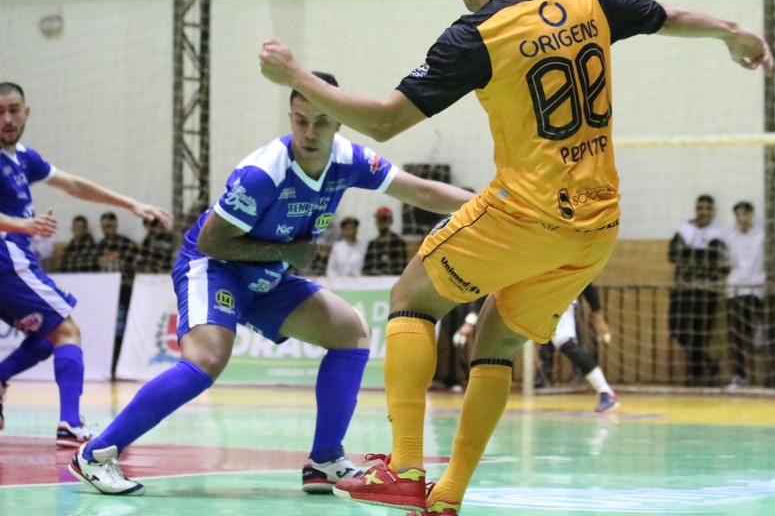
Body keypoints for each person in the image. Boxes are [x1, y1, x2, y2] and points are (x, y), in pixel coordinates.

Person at [258, 0, 771, 516]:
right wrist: (733, 32)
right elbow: (669, 16)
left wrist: (294, 76)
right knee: (495, 342)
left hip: (526, 212)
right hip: (597, 225)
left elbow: (384, 120)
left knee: (412, 300)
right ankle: (446, 495)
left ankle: (404, 469)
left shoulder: (476, 34)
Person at [68, 71, 473, 496]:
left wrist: (490, 201)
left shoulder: (351, 161)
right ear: (291, 117)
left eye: (320, 121)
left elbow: (421, 192)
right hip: (214, 266)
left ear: (339, 121)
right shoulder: (263, 173)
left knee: (350, 332)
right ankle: (96, 454)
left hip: (268, 274)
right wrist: (284, 255)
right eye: (300, 120)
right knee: (207, 360)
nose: (309, 132)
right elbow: (211, 240)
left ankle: (325, 460)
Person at [0, 82, 171, 444]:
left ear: (26, 112)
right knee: (67, 331)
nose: (7, 119)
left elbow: (75, 185)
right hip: (7, 259)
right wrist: (21, 225)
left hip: (14, 260)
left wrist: (130, 204)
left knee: (48, 338)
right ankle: (70, 423)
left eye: (13, 109)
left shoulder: (24, 158)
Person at [668, 195, 728, 387]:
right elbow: (673, 254)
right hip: (683, 290)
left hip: (705, 291)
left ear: (713, 212)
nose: (703, 212)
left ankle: (697, 375)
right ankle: (708, 365)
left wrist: (689, 253)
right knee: (678, 329)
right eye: (700, 208)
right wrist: (700, 254)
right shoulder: (684, 230)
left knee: (701, 333)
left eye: (707, 209)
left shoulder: (717, 233)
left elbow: (714, 258)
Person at [549, 283, 620, 411]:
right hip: (540, 303)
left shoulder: (568, 265)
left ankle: (605, 392)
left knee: (566, 343)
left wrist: (599, 319)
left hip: (558, 304)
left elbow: (588, 286)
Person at [724, 202, 765, 391]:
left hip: (756, 289)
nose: (742, 219)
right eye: (738, 215)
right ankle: (739, 376)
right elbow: (730, 263)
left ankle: (758, 329)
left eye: (745, 215)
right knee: (737, 335)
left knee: (749, 333)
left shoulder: (762, 236)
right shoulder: (731, 237)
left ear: (752, 215)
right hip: (736, 290)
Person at [95, 211, 139, 368]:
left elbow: (135, 265)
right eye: (104, 226)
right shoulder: (98, 246)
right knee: (107, 328)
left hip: (123, 290)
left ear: (116, 225)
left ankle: (120, 362)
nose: (107, 228)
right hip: (104, 293)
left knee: (121, 327)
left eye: (110, 225)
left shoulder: (126, 244)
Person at [362, 206, 408, 276]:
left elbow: (401, 267)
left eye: (384, 219)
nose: (381, 222)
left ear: (390, 221)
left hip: (392, 280)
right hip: (373, 281)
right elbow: (366, 268)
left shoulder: (398, 242)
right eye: (379, 219)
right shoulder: (372, 244)